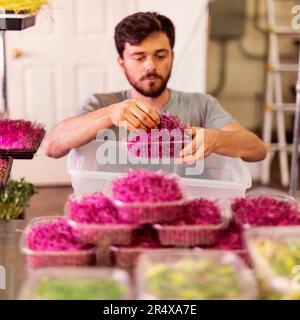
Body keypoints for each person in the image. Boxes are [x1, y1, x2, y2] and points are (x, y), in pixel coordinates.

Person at [45, 11, 267, 163]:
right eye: (139, 57)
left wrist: (217, 139)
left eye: (160, 55)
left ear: (172, 56)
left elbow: (257, 150)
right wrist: (110, 114)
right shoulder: (100, 104)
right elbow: (53, 147)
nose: (151, 66)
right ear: (122, 63)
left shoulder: (201, 105)